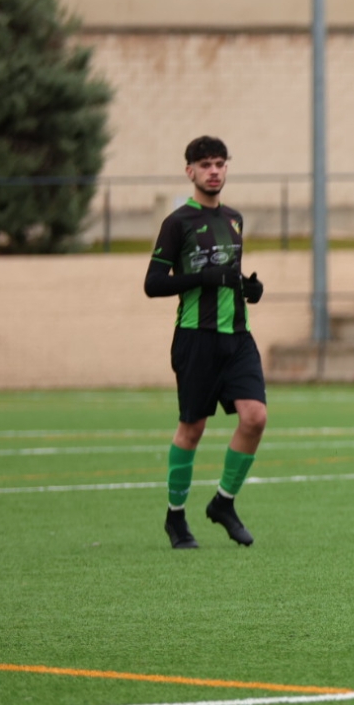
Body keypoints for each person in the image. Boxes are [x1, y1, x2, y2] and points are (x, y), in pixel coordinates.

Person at [143, 136, 266, 549]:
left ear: (227, 168)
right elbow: (153, 284)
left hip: (238, 336)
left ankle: (223, 503)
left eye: (219, 163)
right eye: (205, 165)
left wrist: (248, 289)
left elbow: (228, 272)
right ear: (190, 171)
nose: (213, 171)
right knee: (192, 429)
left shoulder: (234, 219)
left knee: (255, 417)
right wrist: (202, 279)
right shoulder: (178, 223)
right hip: (196, 337)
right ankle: (175, 517)